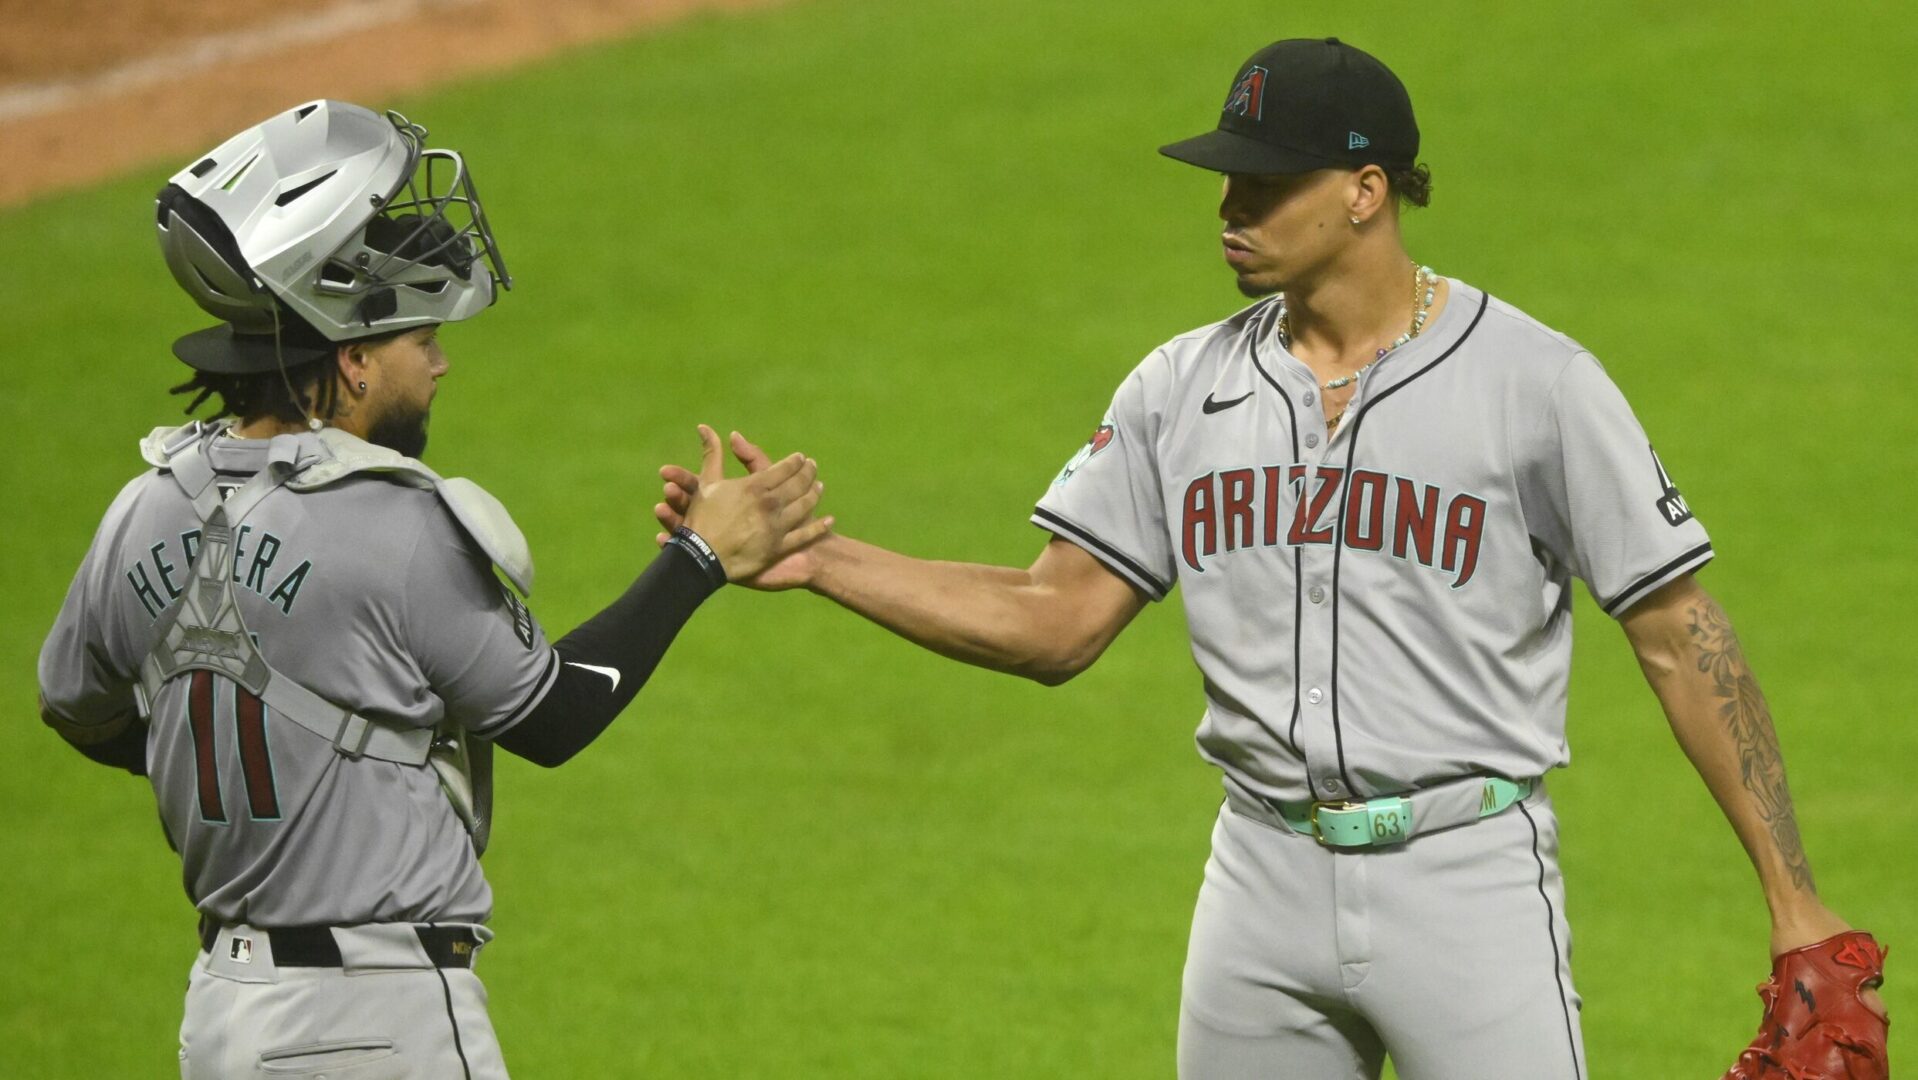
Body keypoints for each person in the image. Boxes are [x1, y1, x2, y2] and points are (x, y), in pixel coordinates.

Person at [655, 39, 1885, 1079]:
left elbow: (1680, 634)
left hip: (1465, 881)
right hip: (1258, 882)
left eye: (1263, 185)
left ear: (1365, 191)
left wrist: (1792, 896)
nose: (1230, 212)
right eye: (1225, 184)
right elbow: (1054, 617)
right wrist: (822, 560)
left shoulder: (1536, 385)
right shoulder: (1177, 388)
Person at [36, 100, 827, 1079]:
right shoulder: (392, 526)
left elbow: (77, 706)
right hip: (378, 1025)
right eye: (422, 336)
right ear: (354, 359)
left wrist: (256, 780)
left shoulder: (141, 511)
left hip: (222, 1021)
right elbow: (552, 716)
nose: (443, 360)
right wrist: (700, 557)